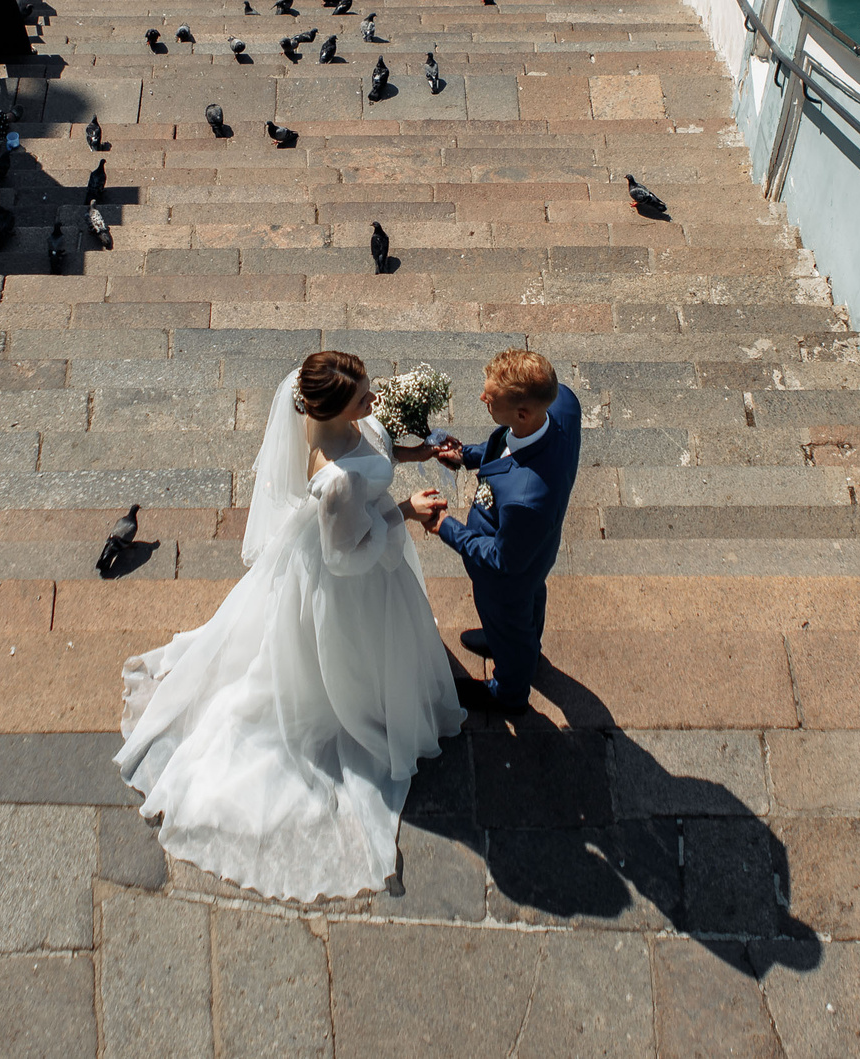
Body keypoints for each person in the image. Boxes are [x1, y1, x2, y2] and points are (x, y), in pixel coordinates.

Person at [115, 351, 464, 900]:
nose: (374, 403)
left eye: (369, 391)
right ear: (331, 408)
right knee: (351, 666)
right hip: (349, 584)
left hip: (349, 543)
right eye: (363, 398)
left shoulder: (332, 417)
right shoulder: (337, 481)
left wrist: (422, 450)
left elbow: (377, 440)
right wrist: (406, 511)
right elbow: (346, 557)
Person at [425, 349, 583, 716]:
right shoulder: (561, 405)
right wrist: (468, 456)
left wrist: (444, 527)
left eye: (490, 399)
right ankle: (515, 641)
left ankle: (509, 692)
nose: (483, 399)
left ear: (522, 413)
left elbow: (501, 558)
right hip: (534, 553)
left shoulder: (526, 497)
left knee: (509, 616)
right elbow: (508, 448)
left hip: (506, 577)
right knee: (529, 603)